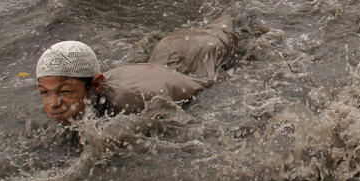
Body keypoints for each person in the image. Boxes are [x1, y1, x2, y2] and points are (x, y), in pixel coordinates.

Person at [35, 16, 235, 124]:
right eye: (45, 92)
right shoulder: (85, 94)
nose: (53, 104)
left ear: (96, 84)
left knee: (232, 25)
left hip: (203, 50)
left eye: (64, 92)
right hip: (167, 54)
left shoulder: (131, 101)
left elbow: (187, 123)